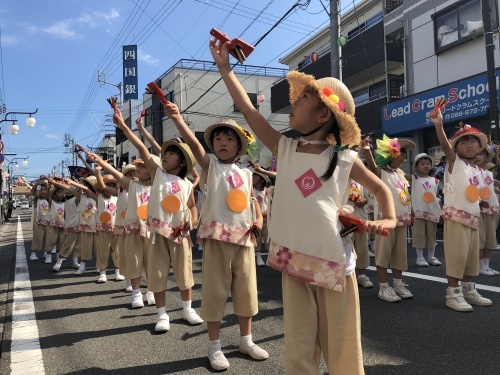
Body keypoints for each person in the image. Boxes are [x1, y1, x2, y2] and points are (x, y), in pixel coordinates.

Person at [210, 38, 396, 374]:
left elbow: (381, 188)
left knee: (342, 345)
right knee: (298, 344)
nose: (292, 104)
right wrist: (225, 69)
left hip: (333, 264)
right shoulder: (285, 147)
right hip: (294, 261)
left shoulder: (344, 157)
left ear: (324, 113)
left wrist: (389, 219)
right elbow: (251, 114)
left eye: (302, 99)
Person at [163, 96, 267, 369]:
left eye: (229, 139)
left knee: (246, 292)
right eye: (218, 138)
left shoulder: (246, 173)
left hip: (244, 239)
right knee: (215, 292)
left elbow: (253, 201)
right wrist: (176, 118)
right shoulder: (210, 168)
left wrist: (258, 219)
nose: (222, 142)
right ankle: (214, 347)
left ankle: (246, 341)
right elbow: (195, 146)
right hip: (217, 238)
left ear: (240, 146)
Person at [113, 108, 203, 332]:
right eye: (165, 152)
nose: (165, 155)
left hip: (180, 233)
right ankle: (162, 315)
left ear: (182, 161)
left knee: (184, 271)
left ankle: (187, 308)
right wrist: (124, 127)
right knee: (158, 272)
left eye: (171, 153)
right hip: (158, 233)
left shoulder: (186, 184)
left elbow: (192, 207)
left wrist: (192, 221)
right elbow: (143, 148)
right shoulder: (157, 174)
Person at [430, 110, 492, 311]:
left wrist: (482, 204)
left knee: (471, 259)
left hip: (474, 219)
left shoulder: (477, 170)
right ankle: (453, 293)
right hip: (456, 218)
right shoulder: (454, 162)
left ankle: (468, 290)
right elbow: (445, 146)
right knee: (457, 257)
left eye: (473, 141)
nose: (469, 144)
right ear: (456, 149)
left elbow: (474, 193)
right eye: (463, 142)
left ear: (480, 146)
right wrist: (439, 124)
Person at [362, 134, 415, 302]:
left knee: (400, 255)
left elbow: (406, 195)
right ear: (389, 154)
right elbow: (372, 166)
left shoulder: (400, 174)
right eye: (400, 153)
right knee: (383, 254)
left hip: (402, 220)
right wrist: (367, 151)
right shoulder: (381, 173)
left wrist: (411, 211)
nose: (403, 157)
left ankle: (398, 284)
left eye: (404, 154)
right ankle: (384, 287)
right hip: (385, 219)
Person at [411, 153, 442, 267]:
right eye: (422, 164)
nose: (426, 166)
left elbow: (437, 196)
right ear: (416, 167)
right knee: (419, 234)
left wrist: (441, 211)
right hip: (418, 210)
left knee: (431, 235)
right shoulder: (414, 179)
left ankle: (431, 257)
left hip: (432, 211)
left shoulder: (435, 181)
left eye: (428, 164)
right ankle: (420, 257)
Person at [474, 145, 500, 276]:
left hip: (490, 208)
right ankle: (479, 266)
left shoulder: (488, 173)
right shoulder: (469, 171)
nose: (478, 156)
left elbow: (490, 187)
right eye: (476, 154)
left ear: (486, 158)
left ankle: (486, 265)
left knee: (490, 238)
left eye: (481, 154)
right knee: (480, 238)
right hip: (477, 209)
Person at [50, 178, 82, 272]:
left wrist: (75, 183)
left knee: (77, 246)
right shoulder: (74, 200)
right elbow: (79, 192)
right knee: (68, 245)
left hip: (76, 226)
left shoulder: (69, 201)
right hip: (72, 226)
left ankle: (75, 262)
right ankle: (59, 262)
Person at [42, 184, 67, 264]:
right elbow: (46, 197)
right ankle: (48, 255)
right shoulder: (52, 203)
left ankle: (58, 255)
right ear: (54, 195)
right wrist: (48, 188)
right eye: (59, 192)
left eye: (62, 192)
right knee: (50, 240)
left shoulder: (65, 204)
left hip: (62, 225)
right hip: (52, 225)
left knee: (61, 241)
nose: (61, 194)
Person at [251, 166, 270, 267]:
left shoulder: (268, 191)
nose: (253, 178)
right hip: (254, 218)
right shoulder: (251, 191)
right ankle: (258, 257)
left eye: (256, 176)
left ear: (262, 179)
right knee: (256, 237)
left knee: (268, 237)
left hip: (267, 218)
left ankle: (269, 258)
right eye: (253, 175)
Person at [30, 178, 50, 262]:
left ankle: (46, 252)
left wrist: (48, 186)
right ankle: (33, 253)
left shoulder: (48, 200)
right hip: (38, 222)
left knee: (48, 238)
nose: (43, 191)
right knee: (37, 237)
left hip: (48, 221)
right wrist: (39, 185)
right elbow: (37, 195)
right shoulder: (37, 200)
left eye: (44, 190)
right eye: (41, 190)